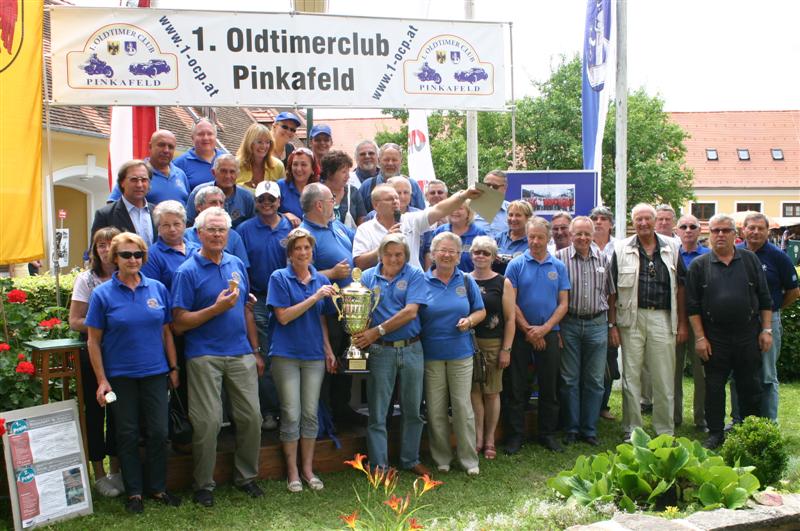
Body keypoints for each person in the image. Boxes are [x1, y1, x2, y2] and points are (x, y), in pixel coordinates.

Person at [171, 207, 265, 507]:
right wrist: (214, 309)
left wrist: (255, 349)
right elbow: (178, 323)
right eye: (211, 230)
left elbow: (245, 310)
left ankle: (246, 477)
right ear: (198, 233)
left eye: (221, 230)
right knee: (208, 422)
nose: (216, 235)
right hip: (204, 355)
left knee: (252, 418)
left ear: (228, 234)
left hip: (240, 353)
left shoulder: (236, 263)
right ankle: (203, 485)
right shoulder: (186, 271)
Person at [85, 232, 181, 513]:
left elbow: (166, 333)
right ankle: (134, 493)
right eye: (126, 255)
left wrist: (173, 367)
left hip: (155, 372)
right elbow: (93, 340)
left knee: (159, 432)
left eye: (137, 254)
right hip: (120, 376)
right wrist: (102, 380)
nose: (132, 259)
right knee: (126, 433)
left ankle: (158, 488)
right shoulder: (102, 294)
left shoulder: (157, 289)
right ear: (115, 258)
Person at [686, 214, 773, 449]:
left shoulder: (750, 260)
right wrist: (701, 338)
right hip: (715, 337)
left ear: (736, 234)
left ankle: (750, 430)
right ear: (709, 235)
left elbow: (765, 298)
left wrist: (766, 329)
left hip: (748, 334)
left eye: (725, 230)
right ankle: (715, 433)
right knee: (714, 387)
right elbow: (692, 307)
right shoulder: (699, 266)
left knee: (750, 385)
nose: (720, 235)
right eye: (715, 231)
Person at [351, 233, 431, 476]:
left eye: (399, 254)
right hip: (380, 351)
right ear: (380, 255)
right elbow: (358, 312)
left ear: (406, 255)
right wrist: (358, 333)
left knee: (412, 410)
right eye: (389, 254)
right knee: (378, 412)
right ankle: (379, 465)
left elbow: (410, 312)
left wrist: (376, 330)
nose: (394, 259)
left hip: (412, 349)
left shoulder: (415, 274)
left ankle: (410, 459)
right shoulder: (367, 277)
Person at [267, 228, 338, 492]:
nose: (303, 253)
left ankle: (308, 469)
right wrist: (314, 297)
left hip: (313, 354)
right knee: (291, 413)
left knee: (310, 414)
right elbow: (284, 316)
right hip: (286, 354)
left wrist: (328, 349)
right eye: (297, 248)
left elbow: (320, 318)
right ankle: (292, 472)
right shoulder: (279, 278)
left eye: (307, 248)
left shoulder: (319, 278)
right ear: (290, 253)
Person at [612, 203, 688, 439]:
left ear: (655, 221)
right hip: (631, 319)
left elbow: (681, 288)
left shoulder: (672, 247)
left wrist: (682, 323)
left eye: (647, 219)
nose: (643, 223)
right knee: (631, 377)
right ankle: (632, 429)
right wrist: (612, 325)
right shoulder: (621, 248)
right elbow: (612, 290)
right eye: (638, 220)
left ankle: (664, 430)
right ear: (632, 222)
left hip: (663, 318)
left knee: (664, 377)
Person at [421, 231, 486, 475]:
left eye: (453, 251)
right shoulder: (422, 281)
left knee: (462, 407)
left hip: (461, 353)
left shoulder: (467, 281)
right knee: (436, 409)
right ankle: (442, 458)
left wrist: (469, 321)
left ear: (459, 256)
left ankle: (469, 459)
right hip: (431, 354)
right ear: (433, 254)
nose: (447, 255)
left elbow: (480, 311)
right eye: (442, 250)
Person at [503, 217, 570, 454]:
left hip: (549, 335)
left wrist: (544, 329)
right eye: (531, 236)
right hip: (521, 336)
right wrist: (529, 330)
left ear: (548, 238)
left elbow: (563, 304)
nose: (535, 241)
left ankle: (548, 434)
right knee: (517, 387)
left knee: (549, 386)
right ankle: (515, 436)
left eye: (540, 237)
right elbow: (512, 303)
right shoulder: (516, 265)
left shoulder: (558, 267)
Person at [68, 227, 123, 498]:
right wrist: (102, 326)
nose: (104, 249)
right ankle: (98, 473)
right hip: (93, 352)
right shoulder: (86, 279)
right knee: (95, 412)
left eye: (109, 244)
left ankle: (116, 469)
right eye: (99, 244)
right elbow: (74, 320)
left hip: (121, 354)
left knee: (118, 412)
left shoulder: (129, 275)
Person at [298, 183, 360, 425]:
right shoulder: (304, 235)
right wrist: (331, 273)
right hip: (325, 313)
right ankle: (323, 417)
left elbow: (358, 252)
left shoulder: (336, 225)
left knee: (347, 361)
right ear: (319, 205)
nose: (335, 202)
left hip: (351, 310)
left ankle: (342, 409)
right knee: (329, 363)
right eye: (331, 199)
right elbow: (299, 275)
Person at [235, 180, 293, 431]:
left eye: (272, 199)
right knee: (265, 355)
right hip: (259, 298)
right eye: (262, 200)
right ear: (255, 203)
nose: (267, 204)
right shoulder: (245, 229)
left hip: (288, 299)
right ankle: (269, 410)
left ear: (279, 201)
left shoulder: (290, 226)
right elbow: (243, 268)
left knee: (287, 354)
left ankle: (289, 410)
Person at [556, 217, 618, 447]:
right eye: (578, 233)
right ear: (570, 235)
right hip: (569, 323)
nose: (582, 238)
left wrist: (611, 325)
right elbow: (555, 297)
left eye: (587, 234)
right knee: (570, 379)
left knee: (594, 379)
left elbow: (611, 295)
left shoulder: (604, 259)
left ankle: (589, 429)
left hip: (597, 324)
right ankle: (571, 428)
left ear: (593, 235)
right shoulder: (560, 259)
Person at [737, 212, 799, 420]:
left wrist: (774, 309)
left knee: (767, 375)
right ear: (743, 230)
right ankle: (737, 420)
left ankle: (769, 423)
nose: (755, 232)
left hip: (768, 322)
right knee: (738, 373)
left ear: (767, 231)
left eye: (760, 228)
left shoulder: (778, 256)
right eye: (751, 228)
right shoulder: (733, 253)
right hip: (738, 323)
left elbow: (794, 290)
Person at [353, 184, 483, 270]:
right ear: (376, 205)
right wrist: (384, 244)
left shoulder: (410, 220)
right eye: (389, 199)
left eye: (396, 198)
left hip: (414, 285)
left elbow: (439, 210)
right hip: (383, 288)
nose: (396, 202)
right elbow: (359, 264)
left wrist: (464, 195)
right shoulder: (365, 229)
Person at [468, 236, 514, 460]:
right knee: (474, 392)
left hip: (494, 344)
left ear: (494, 257)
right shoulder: (465, 280)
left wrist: (506, 349)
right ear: (471, 255)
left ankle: (490, 440)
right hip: (469, 344)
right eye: (477, 251)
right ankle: (477, 438)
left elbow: (510, 319)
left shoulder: (502, 282)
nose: (480, 256)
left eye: (486, 253)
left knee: (492, 393)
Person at [674, 214, 711, 431]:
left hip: (701, 323)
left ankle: (702, 418)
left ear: (700, 231)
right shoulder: (670, 254)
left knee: (702, 374)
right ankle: (674, 417)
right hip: (674, 322)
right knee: (673, 373)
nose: (688, 230)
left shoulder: (708, 255)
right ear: (677, 231)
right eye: (683, 226)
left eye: (692, 226)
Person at [108, 130, 190, 205]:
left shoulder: (181, 175)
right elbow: (112, 206)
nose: (166, 150)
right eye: (161, 145)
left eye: (171, 147)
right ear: (150, 147)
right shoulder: (135, 172)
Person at [590, 205, 619, 421]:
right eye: (595, 218)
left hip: (613, 310)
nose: (598, 222)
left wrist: (613, 323)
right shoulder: (581, 244)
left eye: (603, 219)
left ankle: (603, 405)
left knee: (609, 360)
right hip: (589, 310)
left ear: (611, 223)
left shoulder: (620, 247)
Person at [91, 159, 156, 244]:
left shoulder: (157, 212)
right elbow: (95, 251)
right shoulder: (106, 215)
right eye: (134, 179)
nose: (139, 185)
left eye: (144, 180)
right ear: (122, 183)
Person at [184, 185, 250, 267]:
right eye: (213, 202)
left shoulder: (234, 236)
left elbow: (241, 269)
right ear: (199, 207)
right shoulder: (185, 236)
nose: (218, 206)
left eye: (221, 203)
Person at [141, 201, 199, 291]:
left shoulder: (197, 249)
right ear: (158, 228)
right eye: (166, 225)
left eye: (176, 224)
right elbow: (152, 291)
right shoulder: (151, 256)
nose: (172, 229)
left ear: (184, 225)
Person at [186, 154, 255, 229]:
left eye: (232, 172)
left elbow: (251, 228)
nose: (228, 176)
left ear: (237, 174)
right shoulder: (199, 192)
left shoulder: (247, 197)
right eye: (223, 171)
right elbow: (188, 224)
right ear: (213, 172)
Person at [359, 143, 425, 212]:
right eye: (386, 160)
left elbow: (422, 215)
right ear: (379, 161)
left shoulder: (412, 184)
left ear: (401, 162)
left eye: (394, 160)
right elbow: (361, 217)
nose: (390, 163)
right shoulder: (367, 186)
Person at [433, 201, 486, 272]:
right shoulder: (440, 231)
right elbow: (432, 258)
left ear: (469, 212)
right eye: (452, 207)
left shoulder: (479, 234)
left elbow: (486, 261)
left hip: (470, 281)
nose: (455, 211)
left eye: (460, 208)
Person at [174, 119, 225, 190]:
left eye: (210, 134)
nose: (205, 138)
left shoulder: (226, 159)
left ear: (215, 137)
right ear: (192, 138)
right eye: (200, 134)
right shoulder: (180, 164)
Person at [320, 150, 366, 229]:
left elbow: (362, 223)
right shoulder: (317, 192)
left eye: (348, 171)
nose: (348, 176)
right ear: (330, 173)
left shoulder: (353, 192)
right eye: (343, 172)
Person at [236, 123, 285, 193]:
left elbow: (282, 196)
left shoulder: (278, 166)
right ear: (249, 143)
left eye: (267, 142)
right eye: (259, 142)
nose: (264, 146)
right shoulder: (236, 165)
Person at [278, 147, 320, 227]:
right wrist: (285, 215)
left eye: (304, 165)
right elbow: (268, 212)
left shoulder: (320, 190)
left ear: (312, 169)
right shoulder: (280, 186)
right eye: (295, 164)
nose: (299, 169)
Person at [494, 200, 532, 274]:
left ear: (528, 218)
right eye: (510, 215)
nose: (513, 219)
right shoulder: (499, 238)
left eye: (518, 215)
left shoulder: (532, 241)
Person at [473, 170, 510, 240]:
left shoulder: (512, 211)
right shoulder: (470, 209)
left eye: (495, 186)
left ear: (505, 188)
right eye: (487, 185)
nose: (490, 189)